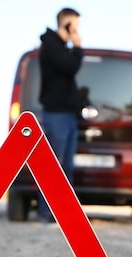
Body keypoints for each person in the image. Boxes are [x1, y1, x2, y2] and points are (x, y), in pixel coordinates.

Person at [37, 7, 83, 223]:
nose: (77, 29)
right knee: (55, 165)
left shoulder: (61, 47)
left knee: (67, 167)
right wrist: (78, 47)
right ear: (66, 22)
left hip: (68, 114)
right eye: (75, 24)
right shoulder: (51, 44)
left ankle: (63, 212)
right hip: (56, 113)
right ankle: (48, 212)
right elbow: (70, 67)